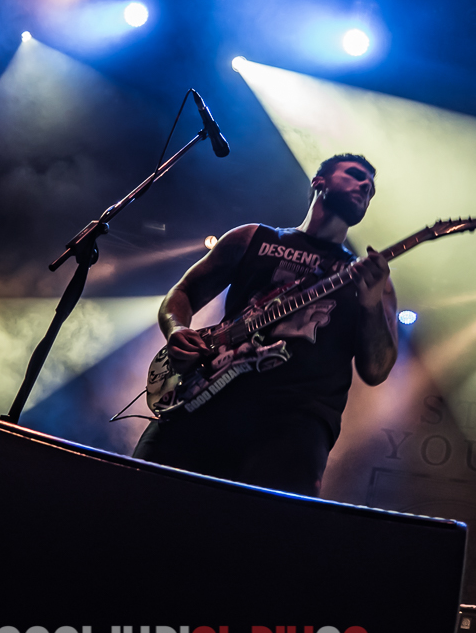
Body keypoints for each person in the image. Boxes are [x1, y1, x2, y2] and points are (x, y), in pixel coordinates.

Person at [132, 154, 397, 496]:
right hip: (203, 400)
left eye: (371, 187)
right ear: (319, 182)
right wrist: (177, 330)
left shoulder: (372, 280)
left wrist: (371, 303)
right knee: (138, 497)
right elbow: (183, 293)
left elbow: (376, 370)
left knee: (262, 527)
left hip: (295, 423)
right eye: (356, 175)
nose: (365, 186)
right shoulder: (252, 239)